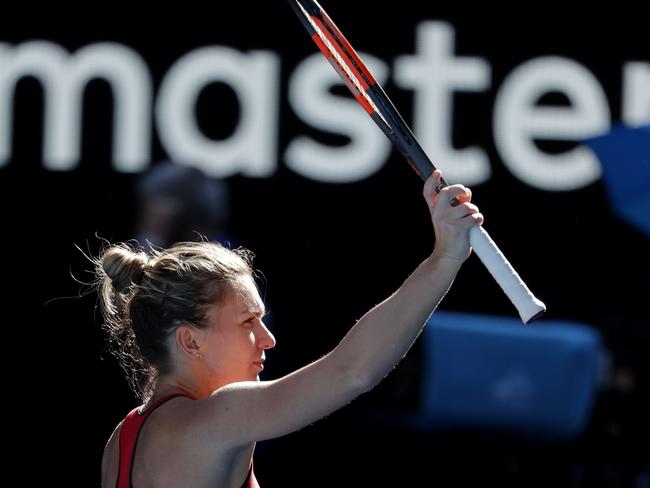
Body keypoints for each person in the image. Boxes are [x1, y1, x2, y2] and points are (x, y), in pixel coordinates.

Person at [98, 170, 483, 488]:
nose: (268, 338)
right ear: (190, 340)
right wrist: (445, 258)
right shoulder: (220, 417)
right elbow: (352, 370)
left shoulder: (120, 443)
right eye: (248, 321)